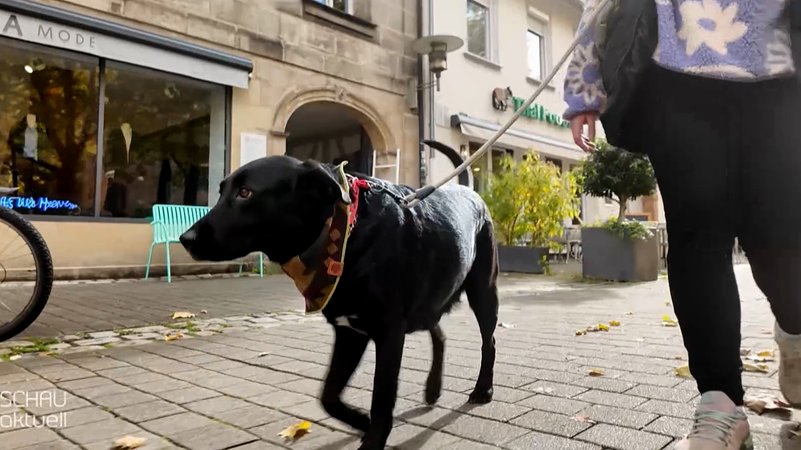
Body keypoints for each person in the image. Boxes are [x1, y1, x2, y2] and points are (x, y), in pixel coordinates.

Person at [563, 1, 801, 449]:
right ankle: (720, 403)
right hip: (674, 78)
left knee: (780, 242)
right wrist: (584, 83)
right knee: (698, 241)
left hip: (780, 73)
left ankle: (795, 332)